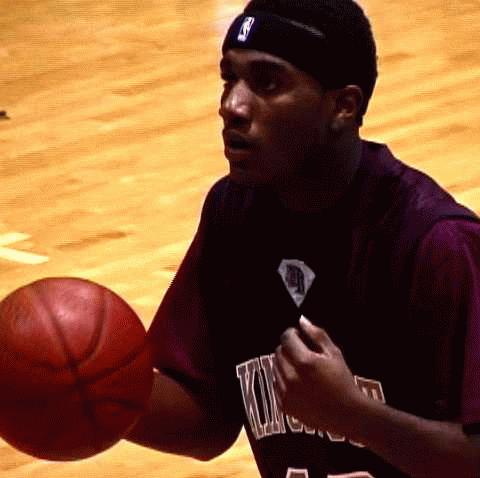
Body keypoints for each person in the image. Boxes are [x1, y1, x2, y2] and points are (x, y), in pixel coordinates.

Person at [127, 0, 480, 476]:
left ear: (343, 106)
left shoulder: (436, 244)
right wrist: (85, 391)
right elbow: (208, 419)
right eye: (229, 78)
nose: (232, 106)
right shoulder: (233, 215)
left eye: (267, 82)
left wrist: (357, 417)